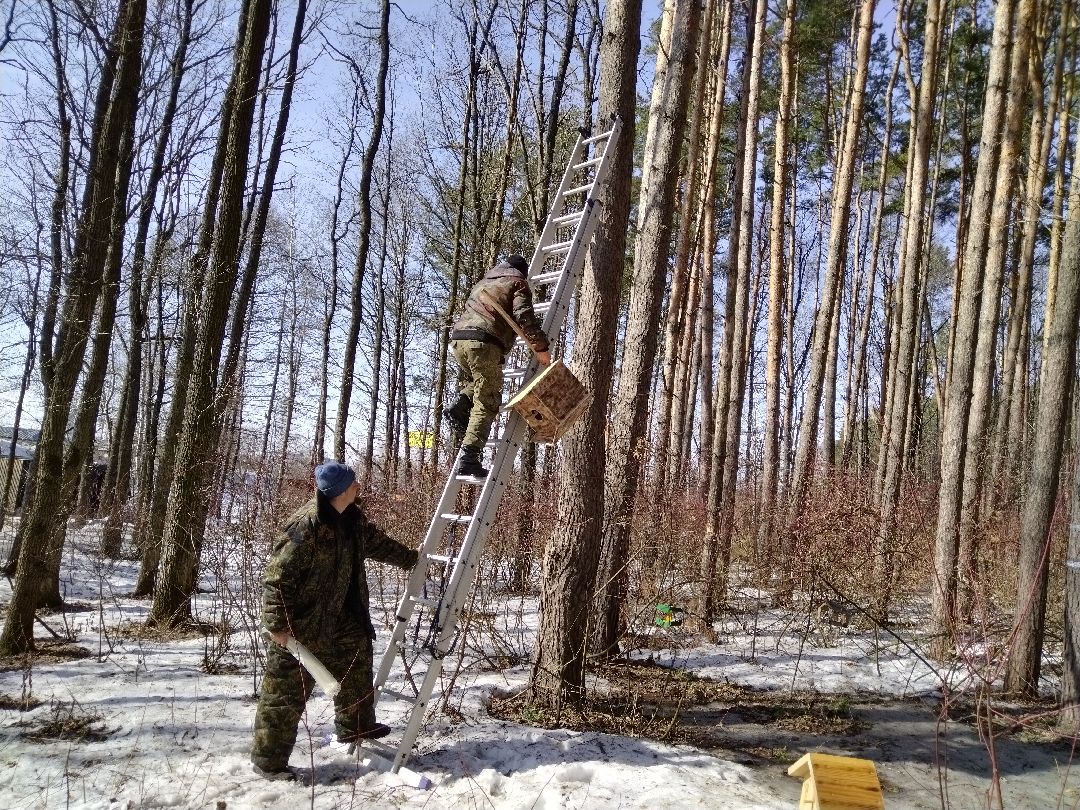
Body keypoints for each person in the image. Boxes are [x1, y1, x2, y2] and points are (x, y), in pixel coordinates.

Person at [250, 461, 419, 779]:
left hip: (341, 620)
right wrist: (277, 626)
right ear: (340, 490)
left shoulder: (352, 520)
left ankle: (356, 727)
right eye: (354, 484)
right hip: (300, 627)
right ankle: (268, 764)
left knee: (357, 659)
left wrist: (414, 559)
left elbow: (379, 544)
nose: (359, 488)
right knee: (284, 696)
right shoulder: (306, 527)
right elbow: (276, 579)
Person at [446, 254, 551, 478]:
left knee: (482, 382)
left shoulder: (483, 283)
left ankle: (462, 401)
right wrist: (541, 347)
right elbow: (524, 316)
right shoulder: (517, 283)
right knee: (488, 400)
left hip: (459, 341)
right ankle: (469, 458)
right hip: (484, 342)